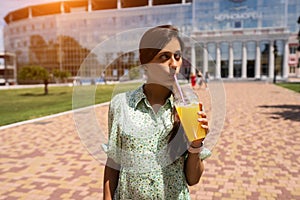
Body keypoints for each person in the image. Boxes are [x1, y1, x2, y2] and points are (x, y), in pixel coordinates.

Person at [103, 25, 210, 200]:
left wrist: (196, 144)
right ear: (145, 63)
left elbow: (193, 179)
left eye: (177, 56)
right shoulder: (121, 104)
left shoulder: (190, 106)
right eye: (164, 57)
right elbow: (113, 163)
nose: (174, 64)